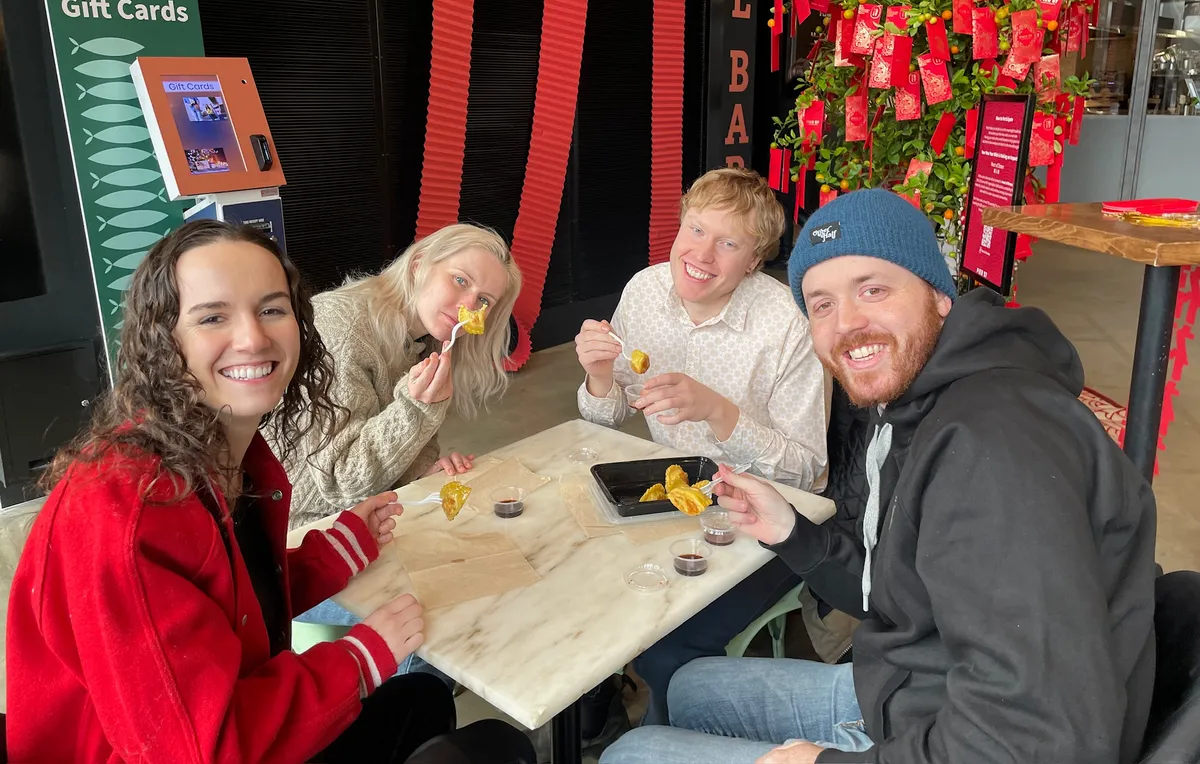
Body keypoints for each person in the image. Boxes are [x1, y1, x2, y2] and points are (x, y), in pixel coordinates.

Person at [602, 187, 1158, 764]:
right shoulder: (907, 405)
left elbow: (1041, 738)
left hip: (953, 727)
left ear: (939, 296)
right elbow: (890, 589)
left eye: (873, 289)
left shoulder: (997, 447)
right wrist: (794, 531)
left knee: (631, 754)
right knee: (692, 686)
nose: (849, 325)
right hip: (916, 688)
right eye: (822, 304)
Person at [5, 220, 533, 764]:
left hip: (244, 708)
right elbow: (199, 749)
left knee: (421, 701)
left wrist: (336, 552)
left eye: (272, 309)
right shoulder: (127, 511)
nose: (253, 338)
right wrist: (357, 659)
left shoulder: (233, 454)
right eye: (213, 316)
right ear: (164, 339)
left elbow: (231, 595)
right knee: (498, 745)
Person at [575, 167, 828, 726]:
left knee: (668, 654)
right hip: (672, 491)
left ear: (755, 261)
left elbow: (810, 474)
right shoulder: (643, 291)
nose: (702, 254)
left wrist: (720, 413)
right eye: (695, 230)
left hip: (768, 514)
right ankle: (595, 708)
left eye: (728, 243)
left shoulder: (787, 324)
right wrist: (598, 377)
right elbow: (608, 415)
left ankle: (668, 740)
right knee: (576, 580)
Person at [280, 223, 522, 532]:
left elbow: (403, 446)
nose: (468, 308)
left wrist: (422, 470)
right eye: (460, 280)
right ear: (419, 265)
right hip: (298, 532)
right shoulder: (343, 327)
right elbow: (341, 480)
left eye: (484, 301)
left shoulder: (428, 338)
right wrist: (416, 408)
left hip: (368, 515)